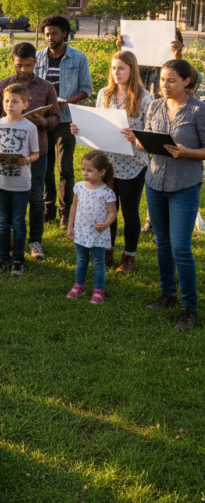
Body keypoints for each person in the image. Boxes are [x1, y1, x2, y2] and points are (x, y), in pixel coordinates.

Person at [124, 59, 205, 332]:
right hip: (155, 182)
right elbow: (149, 143)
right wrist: (136, 139)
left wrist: (187, 152)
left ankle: (189, 308)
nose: (165, 85)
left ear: (186, 81)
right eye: (162, 80)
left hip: (184, 185)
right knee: (162, 244)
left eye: (171, 80)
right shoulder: (156, 106)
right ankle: (167, 294)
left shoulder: (198, 110)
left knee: (180, 247)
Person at [69, 51, 152, 273]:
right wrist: (80, 129)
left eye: (122, 68)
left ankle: (129, 258)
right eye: (114, 68)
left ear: (132, 70)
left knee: (130, 212)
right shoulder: (105, 94)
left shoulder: (145, 98)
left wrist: (136, 137)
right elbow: (98, 126)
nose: (117, 72)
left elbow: (151, 133)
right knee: (108, 210)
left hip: (134, 165)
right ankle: (107, 250)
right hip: (108, 165)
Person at [0, 42, 60, 259]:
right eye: (19, 65)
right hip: (6, 152)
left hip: (37, 152)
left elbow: (56, 117)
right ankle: (3, 238)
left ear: (35, 63)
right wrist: (9, 122)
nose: (23, 70)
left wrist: (42, 121)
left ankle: (35, 241)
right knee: (5, 196)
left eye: (28, 65)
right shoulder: (3, 86)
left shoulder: (47, 87)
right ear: (13, 62)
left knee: (36, 198)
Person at [115, 26, 183, 236]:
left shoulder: (175, 69)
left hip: (168, 118)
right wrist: (120, 48)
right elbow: (124, 71)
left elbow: (183, 81)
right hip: (144, 121)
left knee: (160, 170)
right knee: (151, 171)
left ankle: (155, 220)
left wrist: (176, 55)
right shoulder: (141, 66)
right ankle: (151, 221)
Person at [36, 15, 92, 231]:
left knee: (65, 168)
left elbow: (86, 88)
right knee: (45, 167)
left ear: (64, 34)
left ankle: (66, 212)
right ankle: (48, 209)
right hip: (42, 120)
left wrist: (66, 101)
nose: (50, 38)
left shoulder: (78, 58)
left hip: (66, 120)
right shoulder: (38, 57)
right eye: (47, 34)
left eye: (54, 34)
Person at [0, 83, 39, 277]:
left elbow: (36, 153)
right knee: (2, 222)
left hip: (21, 184)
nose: (10, 105)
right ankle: (2, 259)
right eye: (7, 101)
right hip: (0, 182)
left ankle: (18, 259)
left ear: (25, 105)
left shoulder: (30, 127)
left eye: (15, 102)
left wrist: (27, 159)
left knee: (18, 222)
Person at [65, 151, 117, 304]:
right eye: (83, 169)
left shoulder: (107, 192)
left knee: (98, 263)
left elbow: (113, 212)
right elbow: (74, 207)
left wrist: (106, 224)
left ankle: (99, 290)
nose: (85, 173)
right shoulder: (79, 187)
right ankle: (79, 286)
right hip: (81, 231)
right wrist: (70, 227)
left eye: (89, 170)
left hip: (97, 234)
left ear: (102, 172)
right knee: (81, 260)